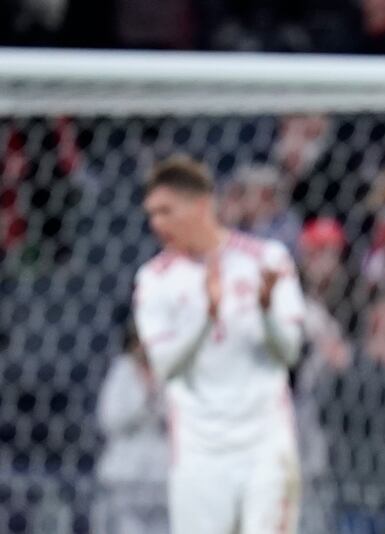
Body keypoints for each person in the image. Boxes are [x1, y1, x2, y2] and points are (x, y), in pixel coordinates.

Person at [132, 155, 304, 534]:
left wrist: (266, 313)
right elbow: (164, 366)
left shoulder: (267, 260)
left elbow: (290, 352)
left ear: (201, 206)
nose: (156, 224)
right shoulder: (154, 280)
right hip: (199, 455)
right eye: (152, 213)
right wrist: (205, 317)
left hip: (265, 446)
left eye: (166, 211)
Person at [94, 325, 169, 534]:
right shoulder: (123, 370)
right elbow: (109, 418)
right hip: (126, 465)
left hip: (160, 468)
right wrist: (143, 407)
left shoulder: (167, 370)